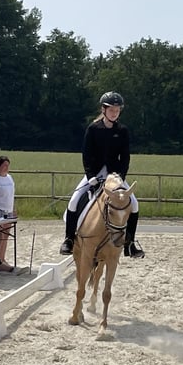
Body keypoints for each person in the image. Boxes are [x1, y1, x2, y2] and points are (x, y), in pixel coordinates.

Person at [59, 91, 144, 258]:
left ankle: (130, 243)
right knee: (74, 201)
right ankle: (69, 239)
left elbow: (125, 157)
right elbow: (86, 154)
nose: (115, 113)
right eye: (112, 110)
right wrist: (90, 176)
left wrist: (120, 177)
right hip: (94, 173)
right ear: (103, 110)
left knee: (134, 204)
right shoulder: (93, 129)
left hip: (115, 175)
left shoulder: (123, 131)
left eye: (117, 110)